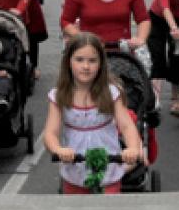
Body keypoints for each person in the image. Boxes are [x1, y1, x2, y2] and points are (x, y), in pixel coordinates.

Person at [43, 32, 142, 194]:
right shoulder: (59, 95)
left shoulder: (111, 92)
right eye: (79, 60)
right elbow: (50, 132)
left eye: (92, 61)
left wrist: (132, 148)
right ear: (69, 62)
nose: (86, 66)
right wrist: (58, 150)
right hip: (75, 169)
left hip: (108, 166)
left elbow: (126, 126)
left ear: (100, 64)